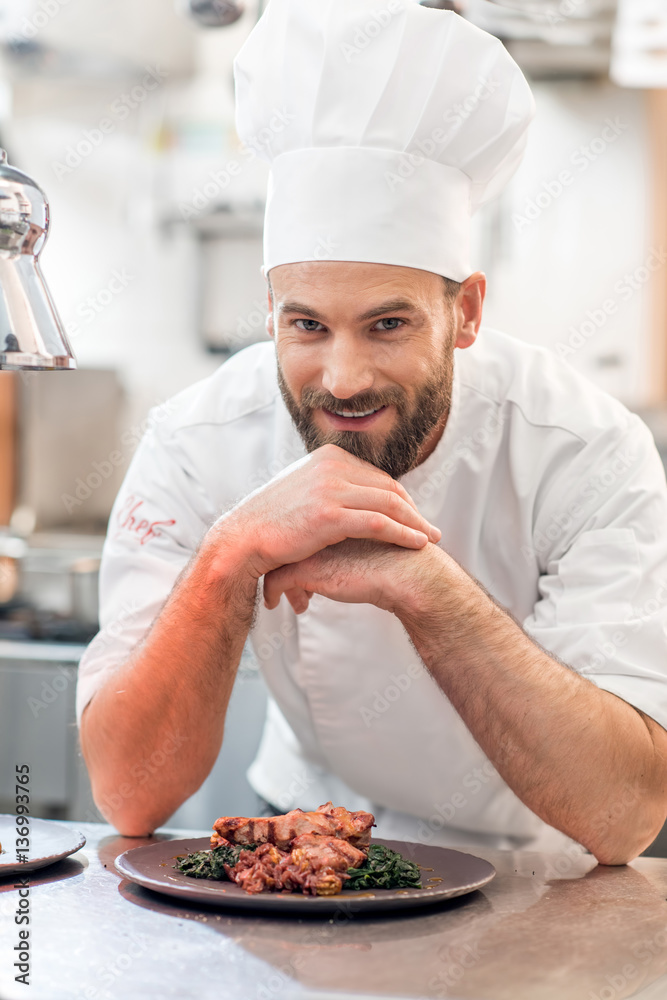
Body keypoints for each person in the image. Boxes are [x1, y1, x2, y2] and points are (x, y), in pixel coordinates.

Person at [78, 0, 667, 864]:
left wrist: (426, 589)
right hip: (306, 837)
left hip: (542, 864)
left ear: (462, 312)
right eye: (306, 326)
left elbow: (622, 817)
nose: (342, 378)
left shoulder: (581, 449)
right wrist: (230, 557)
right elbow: (128, 796)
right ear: (269, 308)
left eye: (387, 325)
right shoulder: (198, 441)